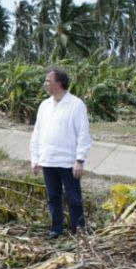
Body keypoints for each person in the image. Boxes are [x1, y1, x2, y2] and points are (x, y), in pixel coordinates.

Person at [29, 68, 92, 239]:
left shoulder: (76, 105)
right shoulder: (44, 105)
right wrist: (35, 158)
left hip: (68, 162)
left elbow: (83, 134)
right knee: (53, 197)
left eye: (48, 81)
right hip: (48, 160)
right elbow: (37, 133)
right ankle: (56, 228)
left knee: (74, 199)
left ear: (59, 83)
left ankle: (78, 230)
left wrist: (79, 160)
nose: (45, 84)